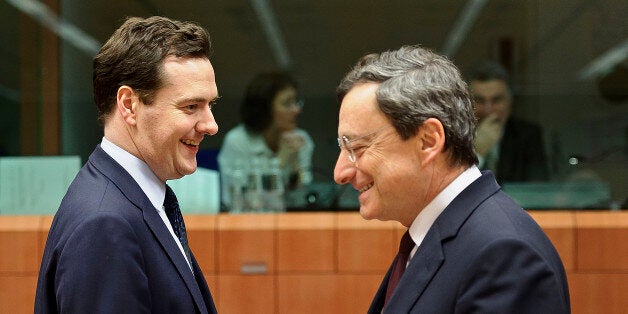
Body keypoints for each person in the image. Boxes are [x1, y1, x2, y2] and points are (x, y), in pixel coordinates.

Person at [334, 45, 570, 313]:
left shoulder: (504, 256)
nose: (340, 172)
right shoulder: (443, 235)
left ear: (428, 141)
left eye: (357, 148)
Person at [35, 16, 218, 313]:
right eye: (191, 107)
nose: (211, 125)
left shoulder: (133, 200)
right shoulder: (104, 225)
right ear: (129, 105)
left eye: (211, 105)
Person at [217, 71, 314, 209]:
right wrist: (280, 161)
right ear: (264, 109)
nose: (297, 109)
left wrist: (294, 166)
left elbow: (303, 200)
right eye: (287, 103)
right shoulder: (237, 141)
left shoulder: (301, 140)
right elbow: (234, 202)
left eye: (296, 101)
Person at [467, 60, 549, 184]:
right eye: (479, 100)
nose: (488, 110)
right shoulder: (455, 136)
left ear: (509, 102)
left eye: (496, 100)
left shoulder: (527, 135)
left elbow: (537, 186)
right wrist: (478, 153)